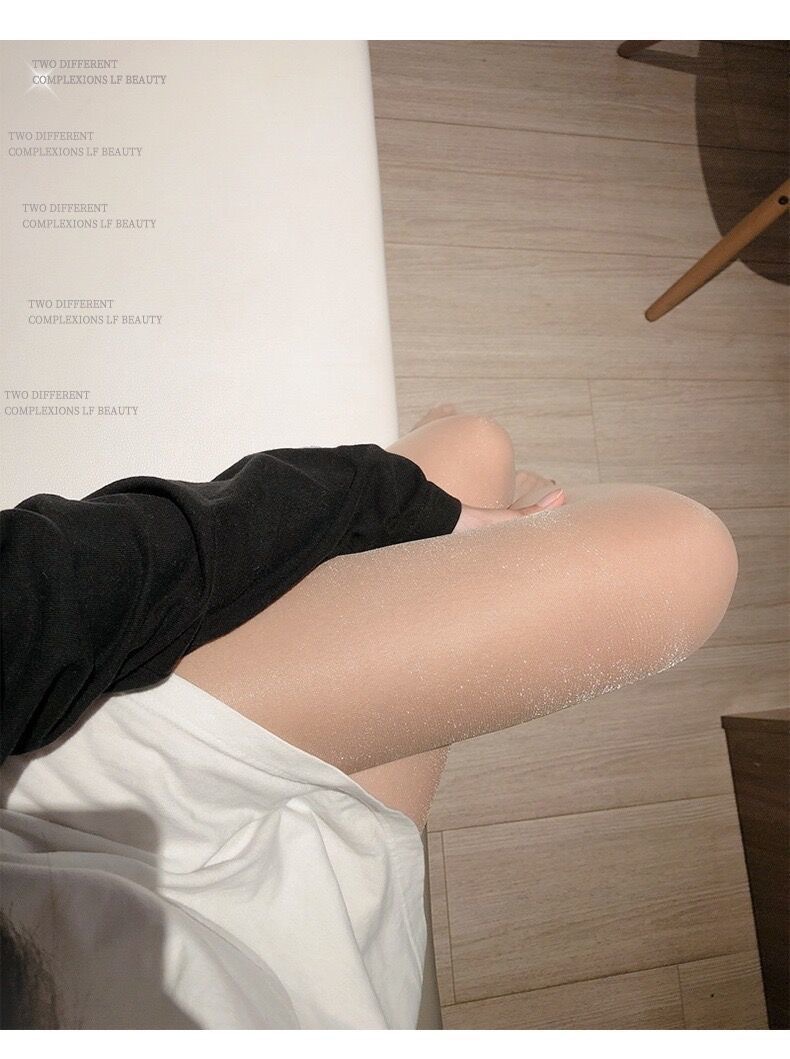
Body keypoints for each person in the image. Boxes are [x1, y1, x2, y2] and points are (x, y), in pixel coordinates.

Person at [0, 405, 738, 1029]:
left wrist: (415, 509)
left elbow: (56, 577)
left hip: (46, 794)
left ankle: (488, 500)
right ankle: (499, 503)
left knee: (474, 447)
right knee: (674, 552)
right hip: (293, 974)